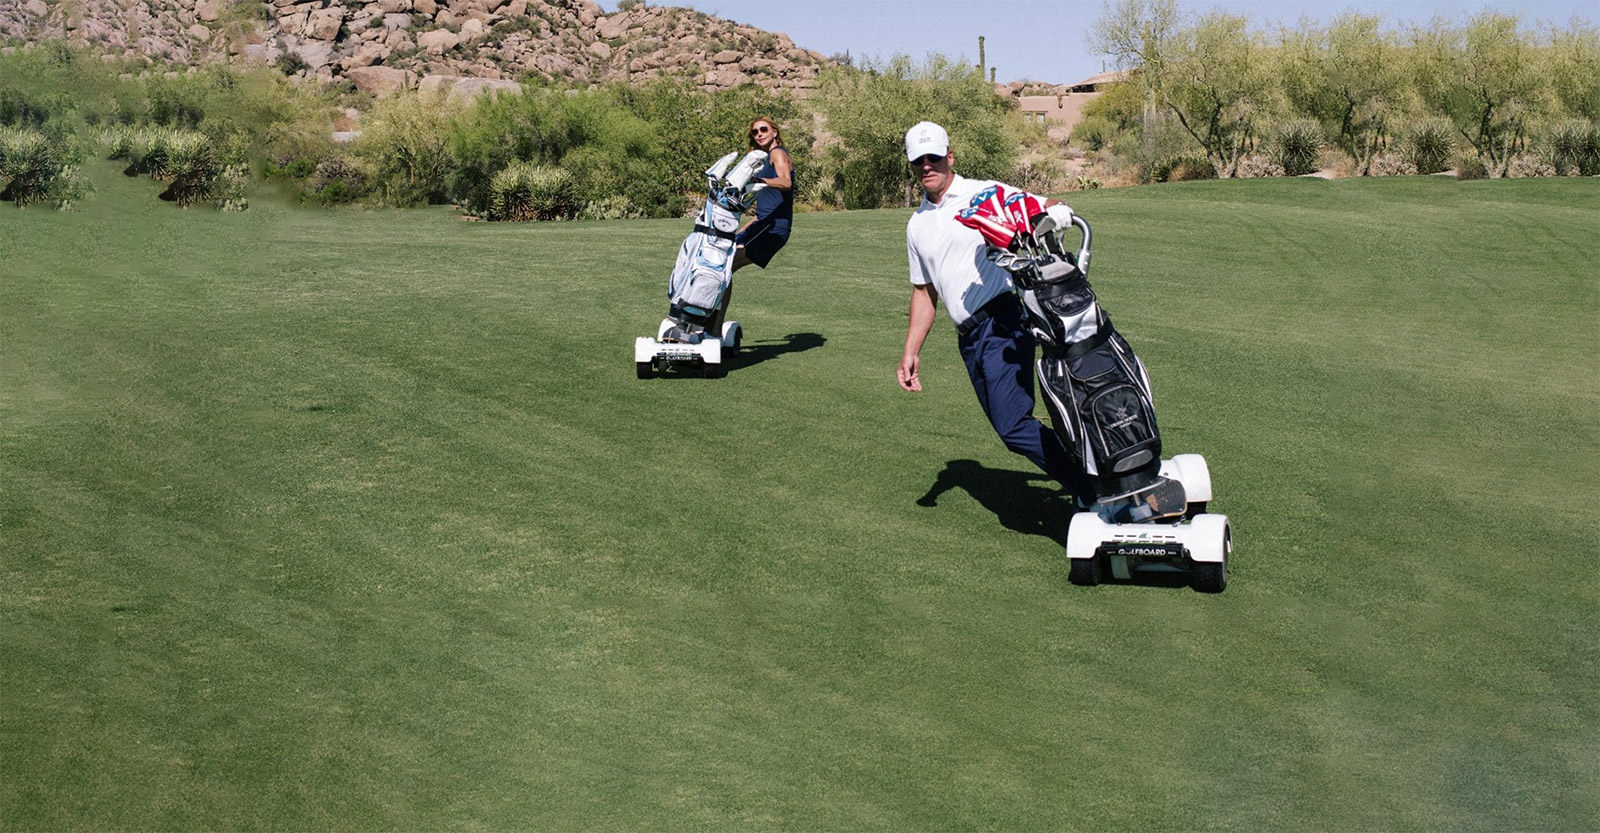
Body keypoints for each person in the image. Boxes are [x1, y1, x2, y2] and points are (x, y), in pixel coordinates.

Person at [896, 120, 1092, 503]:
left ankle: (1091, 489)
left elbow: (1041, 205)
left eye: (934, 157)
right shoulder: (917, 224)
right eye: (918, 160)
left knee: (1013, 425)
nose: (927, 166)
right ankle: (1088, 470)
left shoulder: (981, 194)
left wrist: (1059, 212)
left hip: (1002, 323)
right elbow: (924, 291)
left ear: (949, 156)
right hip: (969, 338)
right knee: (1013, 426)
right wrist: (911, 350)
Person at [731, 117, 793, 273]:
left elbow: (786, 182)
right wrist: (747, 226)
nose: (759, 134)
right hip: (761, 223)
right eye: (755, 132)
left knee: (727, 264)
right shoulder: (764, 159)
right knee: (725, 262)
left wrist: (759, 180)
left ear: (774, 132)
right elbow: (767, 204)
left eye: (764, 129)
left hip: (773, 227)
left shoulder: (777, 153)